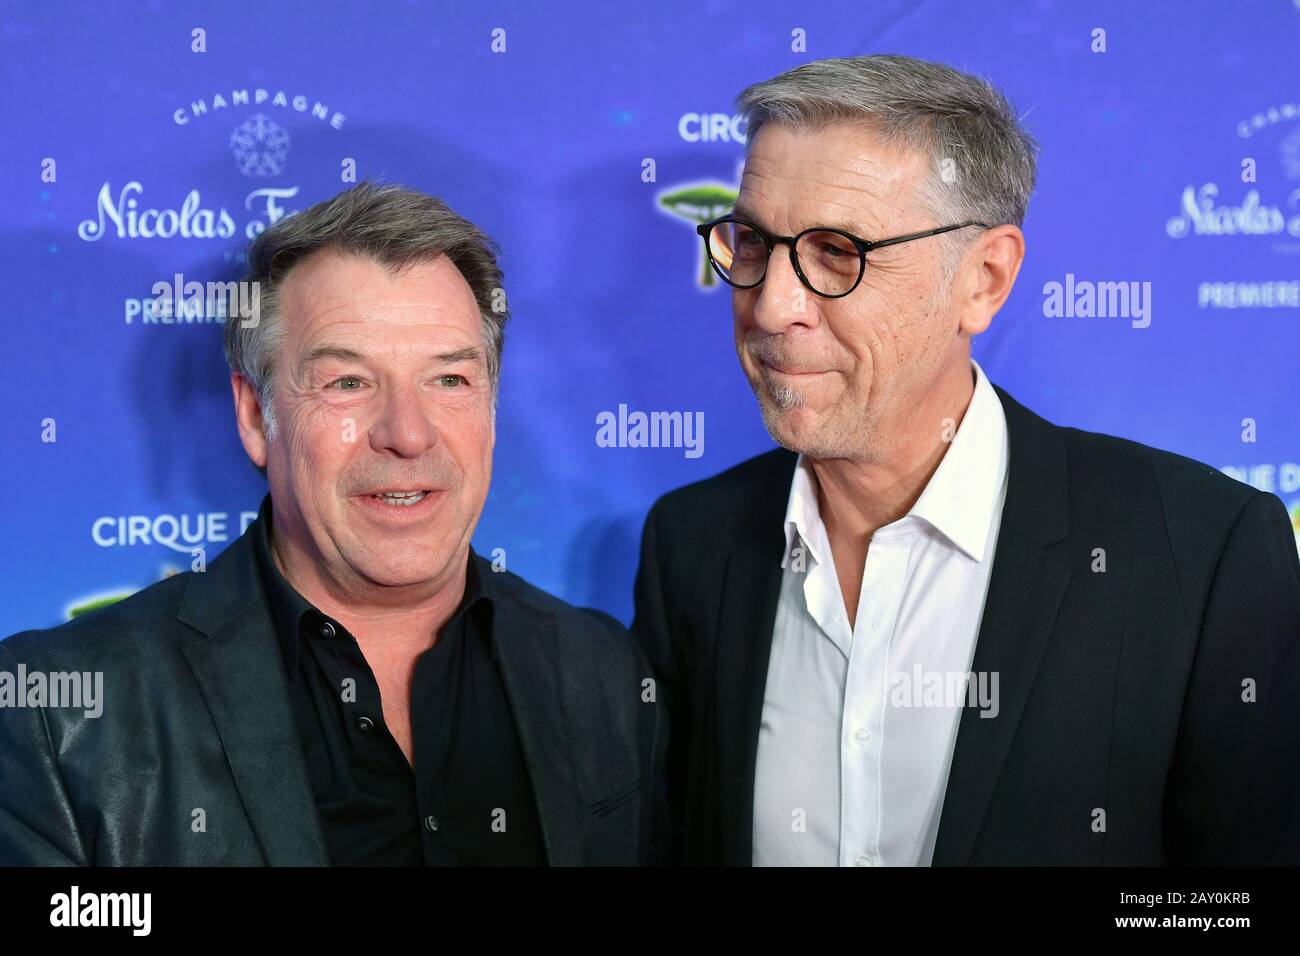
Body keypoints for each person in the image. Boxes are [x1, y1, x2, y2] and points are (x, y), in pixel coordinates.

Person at [632, 55, 1300, 866]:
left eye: (837, 253)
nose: (771, 304)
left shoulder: (1201, 555)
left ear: (984, 279)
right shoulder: (690, 544)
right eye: (751, 242)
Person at [0, 182, 665, 866]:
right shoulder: (60, 719)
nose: (407, 434)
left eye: (449, 381)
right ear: (256, 416)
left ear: (492, 410)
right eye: (348, 382)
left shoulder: (602, 674)